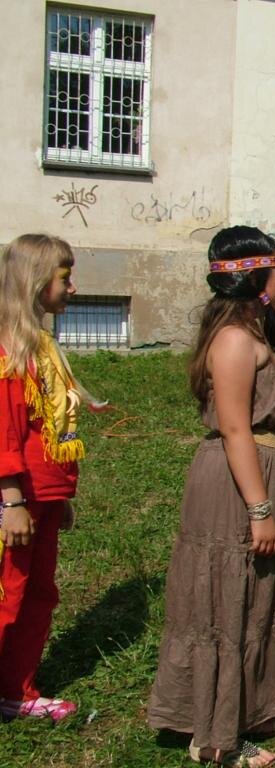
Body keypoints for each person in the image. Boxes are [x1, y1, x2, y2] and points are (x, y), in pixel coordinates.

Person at [148, 226, 275, 766]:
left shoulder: (250, 332)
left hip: (260, 474)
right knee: (228, 601)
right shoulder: (235, 339)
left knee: (258, 598)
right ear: (256, 279)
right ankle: (215, 738)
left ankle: (248, 705)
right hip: (239, 488)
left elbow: (256, 411)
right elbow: (235, 429)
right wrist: (260, 511)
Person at [0, 234, 84, 722]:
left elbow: (50, 427)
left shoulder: (42, 346)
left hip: (42, 495)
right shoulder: (9, 353)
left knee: (38, 594)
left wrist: (59, 495)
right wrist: (12, 501)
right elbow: (5, 431)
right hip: (17, 500)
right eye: (64, 278)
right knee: (7, 595)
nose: (72, 288)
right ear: (36, 282)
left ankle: (17, 689)